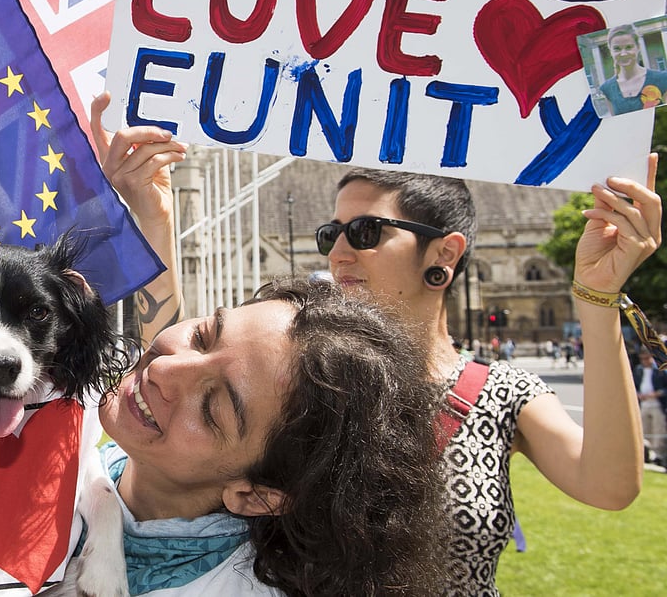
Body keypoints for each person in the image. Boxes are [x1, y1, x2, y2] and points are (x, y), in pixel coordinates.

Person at [88, 91, 661, 595]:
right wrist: (154, 214)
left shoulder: (492, 393)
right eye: (330, 233)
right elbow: (188, 369)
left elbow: (609, 486)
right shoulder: (288, 380)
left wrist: (597, 299)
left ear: (445, 253)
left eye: (366, 232)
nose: (338, 252)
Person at [0, 279, 450, 596]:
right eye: (204, 334)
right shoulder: (67, 452)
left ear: (256, 495)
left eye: (214, 406)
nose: (167, 369)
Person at [597, 25, 667, 116]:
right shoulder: (607, 89)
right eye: (617, 49)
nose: (623, 54)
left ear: (638, 47)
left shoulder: (662, 79)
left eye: (629, 47)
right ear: (610, 51)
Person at [633, 348, 667, 465]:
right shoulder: (638, 370)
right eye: (642, 359)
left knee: (658, 429)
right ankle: (645, 452)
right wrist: (638, 394)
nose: (645, 361)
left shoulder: (660, 370)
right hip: (644, 403)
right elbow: (634, 385)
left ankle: (658, 455)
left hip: (657, 403)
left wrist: (657, 393)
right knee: (644, 429)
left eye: (647, 358)